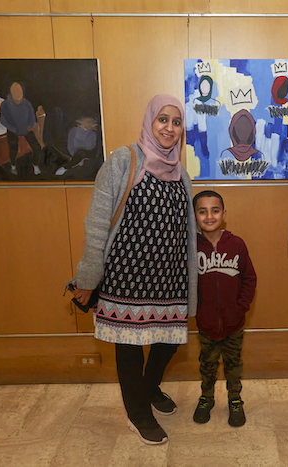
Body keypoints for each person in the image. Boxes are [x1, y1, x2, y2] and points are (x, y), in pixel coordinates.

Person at [68, 94, 197, 446]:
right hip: (127, 278)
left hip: (169, 280)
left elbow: (185, 233)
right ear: (150, 121)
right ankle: (138, 412)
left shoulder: (181, 173)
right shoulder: (123, 160)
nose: (169, 128)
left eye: (176, 122)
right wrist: (88, 277)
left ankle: (148, 388)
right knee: (129, 347)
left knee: (167, 342)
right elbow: (97, 224)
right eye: (163, 120)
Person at [191, 190, 257, 427]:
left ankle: (235, 398)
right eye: (202, 211)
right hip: (206, 323)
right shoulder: (191, 248)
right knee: (207, 364)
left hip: (233, 322)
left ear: (224, 214)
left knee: (233, 364)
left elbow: (249, 279)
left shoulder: (236, 244)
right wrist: (196, 310)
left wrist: (240, 308)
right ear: (194, 215)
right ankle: (206, 397)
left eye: (215, 210)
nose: (209, 216)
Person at [0, 81, 43, 176]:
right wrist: (13, 129)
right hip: (13, 131)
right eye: (15, 91)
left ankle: (35, 165)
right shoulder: (5, 104)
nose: (18, 93)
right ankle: (13, 167)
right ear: (11, 92)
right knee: (13, 150)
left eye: (20, 90)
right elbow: (3, 120)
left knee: (37, 147)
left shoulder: (26, 103)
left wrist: (31, 125)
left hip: (26, 129)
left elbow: (31, 115)